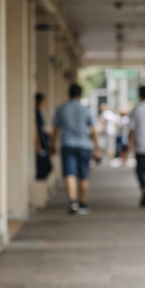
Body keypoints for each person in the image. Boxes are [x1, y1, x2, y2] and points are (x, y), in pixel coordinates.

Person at [50, 84, 100, 214]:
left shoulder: (62, 108)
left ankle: (72, 202)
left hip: (67, 145)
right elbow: (93, 130)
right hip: (84, 146)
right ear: (80, 95)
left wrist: (52, 144)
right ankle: (82, 203)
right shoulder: (85, 109)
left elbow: (55, 128)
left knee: (69, 174)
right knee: (83, 175)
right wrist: (97, 147)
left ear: (69, 94)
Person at [34, 92, 52, 181]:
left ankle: (40, 186)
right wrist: (37, 144)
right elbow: (36, 128)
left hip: (43, 142)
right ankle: (39, 187)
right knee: (45, 167)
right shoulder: (35, 113)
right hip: (40, 143)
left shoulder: (38, 113)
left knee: (46, 167)